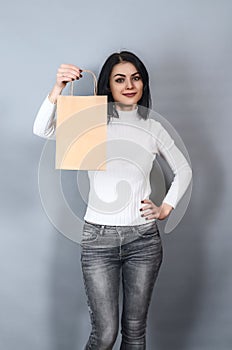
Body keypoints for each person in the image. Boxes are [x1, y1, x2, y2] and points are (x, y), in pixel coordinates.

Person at [33, 51, 192, 349]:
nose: (130, 85)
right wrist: (58, 89)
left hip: (144, 241)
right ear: (108, 85)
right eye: (120, 79)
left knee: (134, 332)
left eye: (136, 78)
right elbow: (41, 129)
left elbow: (183, 169)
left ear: (143, 83)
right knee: (104, 334)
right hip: (98, 240)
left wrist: (166, 207)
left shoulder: (152, 127)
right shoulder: (90, 122)